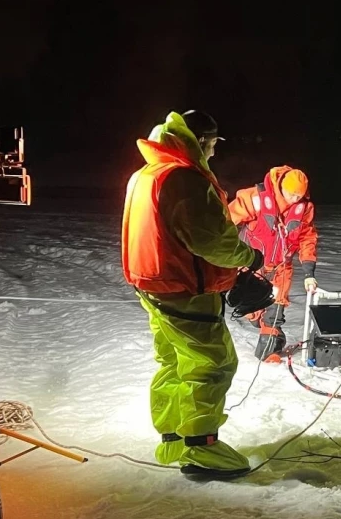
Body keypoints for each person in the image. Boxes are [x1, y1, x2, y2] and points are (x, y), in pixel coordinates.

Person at [121, 110, 263, 478]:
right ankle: (201, 448)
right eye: (213, 144)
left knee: (173, 360)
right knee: (211, 364)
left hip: (153, 284)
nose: (214, 153)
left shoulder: (147, 174)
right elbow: (211, 241)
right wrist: (249, 256)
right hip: (184, 288)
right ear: (200, 141)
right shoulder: (184, 179)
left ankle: (172, 437)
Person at [228, 166, 318, 361]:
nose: (295, 199)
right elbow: (226, 220)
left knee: (274, 312)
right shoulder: (254, 198)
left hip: (281, 269)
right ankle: (267, 328)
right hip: (252, 266)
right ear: (281, 187)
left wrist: (309, 270)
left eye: (299, 196)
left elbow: (307, 238)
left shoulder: (305, 209)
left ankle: (269, 353)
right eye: (291, 194)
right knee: (250, 311)